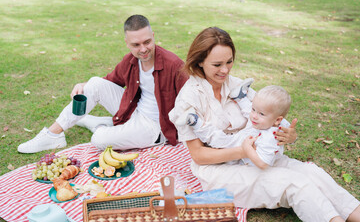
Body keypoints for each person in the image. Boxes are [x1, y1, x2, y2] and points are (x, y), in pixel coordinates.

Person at [168, 27, 360, 222]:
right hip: (221, 171)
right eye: (217, 64)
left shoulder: (236, 85)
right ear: (200, 61)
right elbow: (199, 156)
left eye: (229, 62)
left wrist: (288, 136)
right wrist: (243, 151)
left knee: (312, 172)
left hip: (256, 156)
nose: (225, 70)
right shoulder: (188, 99)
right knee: (295, 183)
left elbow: (269, 115)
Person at [18, 14, 189, 153]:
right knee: (93, 83)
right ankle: (53, 135)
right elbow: (106, 83)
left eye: (147, 42)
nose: (143, 49)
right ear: (127, 43)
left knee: (98, 140)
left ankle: (100, 124)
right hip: (135, 112)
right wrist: (84, 85)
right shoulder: (130, 61)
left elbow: (192, 101)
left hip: (155, 128)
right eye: (136, 45)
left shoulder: (173, 65)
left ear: (153, 36)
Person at [178, 84, 292, 169]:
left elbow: (263, 164)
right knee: (248, 113)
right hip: (250, 134)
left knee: (218, 139)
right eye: (254, 109)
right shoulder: (267, 122)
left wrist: (246, 149)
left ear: (277, 120)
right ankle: (240, 97)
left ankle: (195, 122)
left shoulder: (270, 139)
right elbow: (286, 125)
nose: (255, 116)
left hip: (243, 153)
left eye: (261, 114)